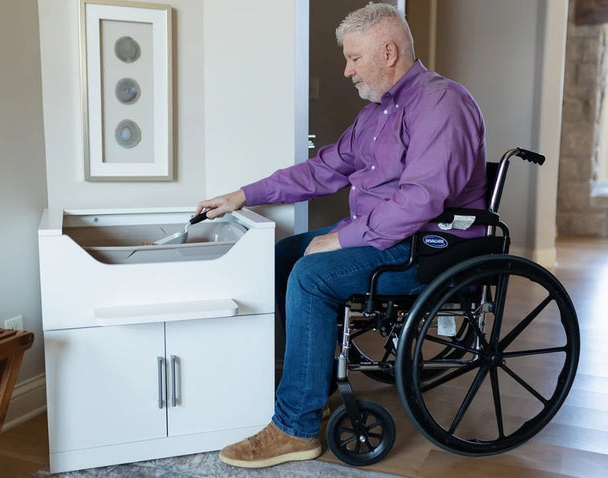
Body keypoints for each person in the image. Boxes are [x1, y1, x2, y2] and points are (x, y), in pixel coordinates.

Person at [197, 3, 487, 468]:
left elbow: (422, 201)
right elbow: (323, 170)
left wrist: (346, 238)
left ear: (388, 52)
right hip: (388, 234)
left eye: (354, 58)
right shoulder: (377, 113)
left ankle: (294, 428)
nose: (346, 70)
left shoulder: (442, 103)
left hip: (431, 245)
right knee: (285, 256)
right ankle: (315, 388)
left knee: (310, 275)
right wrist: (243, 195)